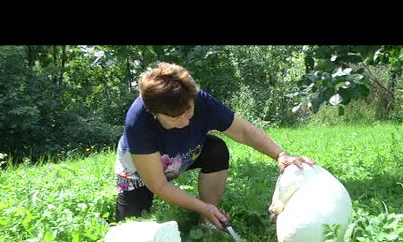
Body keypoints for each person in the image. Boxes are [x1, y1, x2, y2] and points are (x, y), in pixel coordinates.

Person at [115, 62, 315, 230]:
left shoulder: (198, 99)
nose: (185, 121)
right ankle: (206, 210)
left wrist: (280, 154)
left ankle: (209, 218)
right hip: (141, 171)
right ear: (154, 113)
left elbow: (243, 131)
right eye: (175, 118)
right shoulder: (138, 119)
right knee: (130, 229)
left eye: (189, 110)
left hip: (183, 155)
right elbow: (158, 184)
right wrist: (199, 206)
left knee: (216, 149)